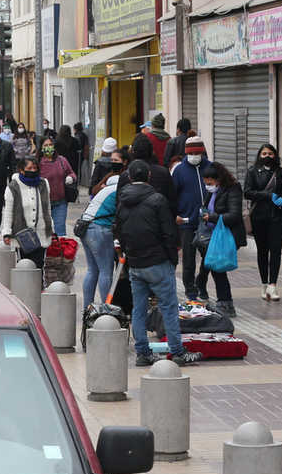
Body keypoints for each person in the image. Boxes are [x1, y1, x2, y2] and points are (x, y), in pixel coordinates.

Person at [114, 160, 202, 367]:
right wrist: (172, 258)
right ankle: (177, 351)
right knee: (169, 307)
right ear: (149, 176)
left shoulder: (122, 200)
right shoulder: (157, 200)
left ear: (129, 177)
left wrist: (128, 255)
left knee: (138, 308)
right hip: (158, 261)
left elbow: (118, 230)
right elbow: (169, 232)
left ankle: (142, 353)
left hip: (135, 262)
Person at [194, 162, 245, 316]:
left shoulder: (233, 189)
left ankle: (225, 303)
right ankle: (221, 301)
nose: (207, 186)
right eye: (206, 183)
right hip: (212, 236)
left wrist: (212, 217)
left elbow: (234, 215)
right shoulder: (213, 192)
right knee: (210, 266)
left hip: (226, 236)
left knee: (217, 268)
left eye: (209, 183)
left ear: (218, 179)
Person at [244, 144, 282, 302]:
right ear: (259, 155)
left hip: (276, 217)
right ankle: (264, 284)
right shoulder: (252, 171)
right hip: (259, 218)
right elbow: (247, 192)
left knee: (276, 251)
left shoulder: (279, 171)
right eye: (264, 153)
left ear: (275, 155)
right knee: (262, 252)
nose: (267, 156)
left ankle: (273, 285)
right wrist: (267, 195)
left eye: (270, 153)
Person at [171, 136, 210, 300]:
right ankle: (190, 290)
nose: (194, 155)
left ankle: (201, 282)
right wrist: (176, 216)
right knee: (188, 259)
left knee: (208, 259)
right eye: (191, 153)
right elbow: (173, 195)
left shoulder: (210, 167)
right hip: (186, 223)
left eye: (197, 152)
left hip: (208, 222)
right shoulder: (179, 170)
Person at [1, 156, 54, 268]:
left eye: (35, 168)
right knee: (25, 266)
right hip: (22, 235)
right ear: (21, 170)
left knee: (40, 266)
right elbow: (8, 213)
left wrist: (51, 228)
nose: (33, 171)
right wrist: (6, 232)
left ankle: (39, 285)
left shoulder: (44, 184)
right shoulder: (13, 187)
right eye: (29, 168)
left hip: (41, 233)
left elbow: (47, 208)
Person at [81, 172, 120, 306]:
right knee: (106, 271)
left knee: (92, 269)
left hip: (85, 227)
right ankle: (107, 308)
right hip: (100, 228)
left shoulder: (105, 190)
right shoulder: (118, 190)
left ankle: (87, 308)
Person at [37, 138, 76, 237]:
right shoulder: (37, 162)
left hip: (60, 202)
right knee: (44, 232)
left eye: (50, 145)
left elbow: (72, 173)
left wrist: (70, 177)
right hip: (43, 203)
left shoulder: (62, 160)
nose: (48, 147)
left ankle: (59, 251)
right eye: (45, 145)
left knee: (60, 232)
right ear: (41, 148)